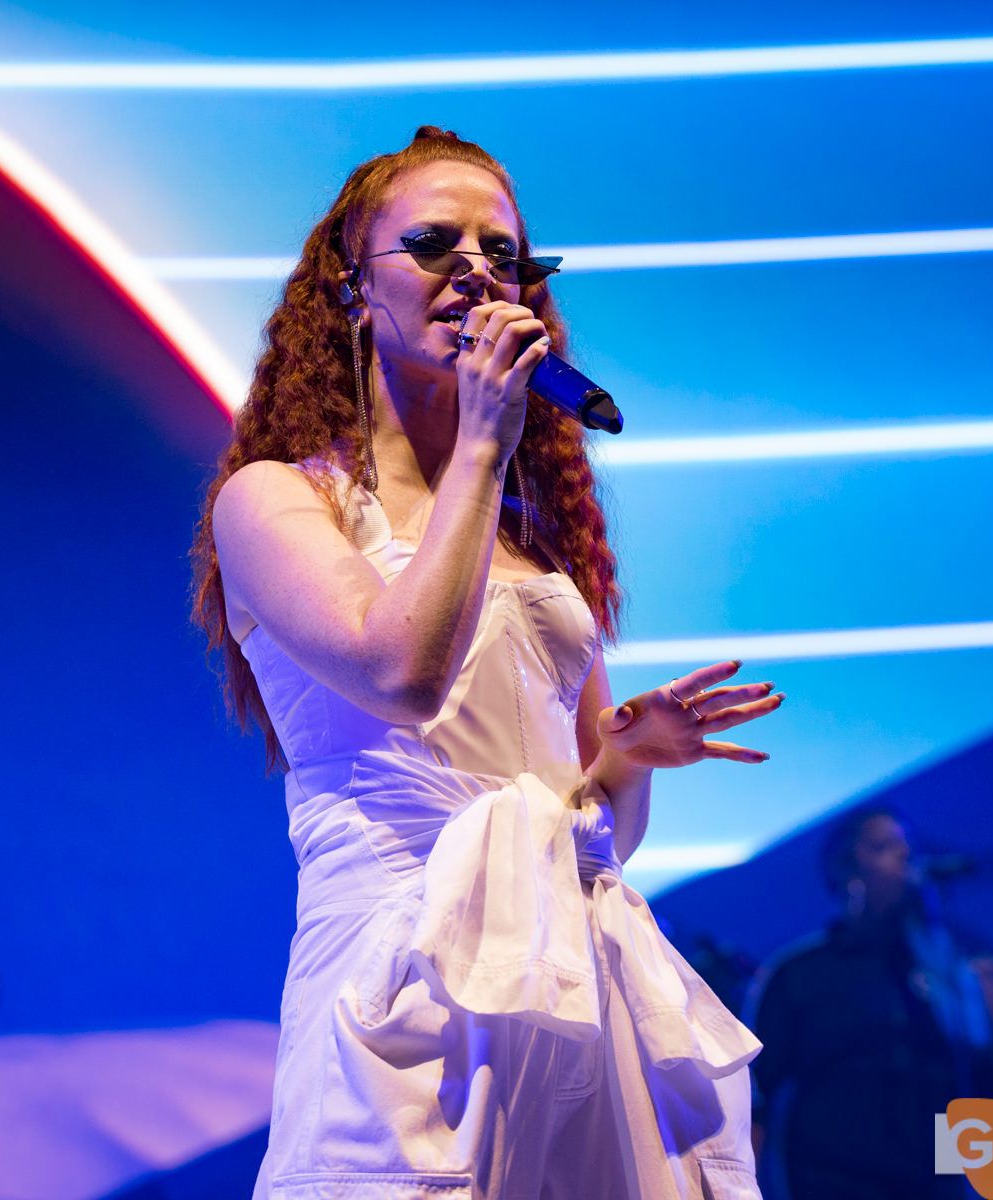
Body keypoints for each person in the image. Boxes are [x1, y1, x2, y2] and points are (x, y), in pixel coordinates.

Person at [191, 126, 786, 1198]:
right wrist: (480, 441)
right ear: (351, 290)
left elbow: (594, 829)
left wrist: (630, 757)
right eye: (432, 243)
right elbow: (404, 676)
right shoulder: (279, 501)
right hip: (402, 974)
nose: (474, 268)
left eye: (500, 253)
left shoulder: (531, 538)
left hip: (572, 979)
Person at [744, 805, 993, 1200]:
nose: (904, 857)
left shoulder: (947, 970)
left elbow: (991, 1097)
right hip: (834, 1185)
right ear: (847, 874)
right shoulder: (797, 975)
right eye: (883, 846)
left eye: (908, 846)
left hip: (933, 1186)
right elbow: (753, 1104)